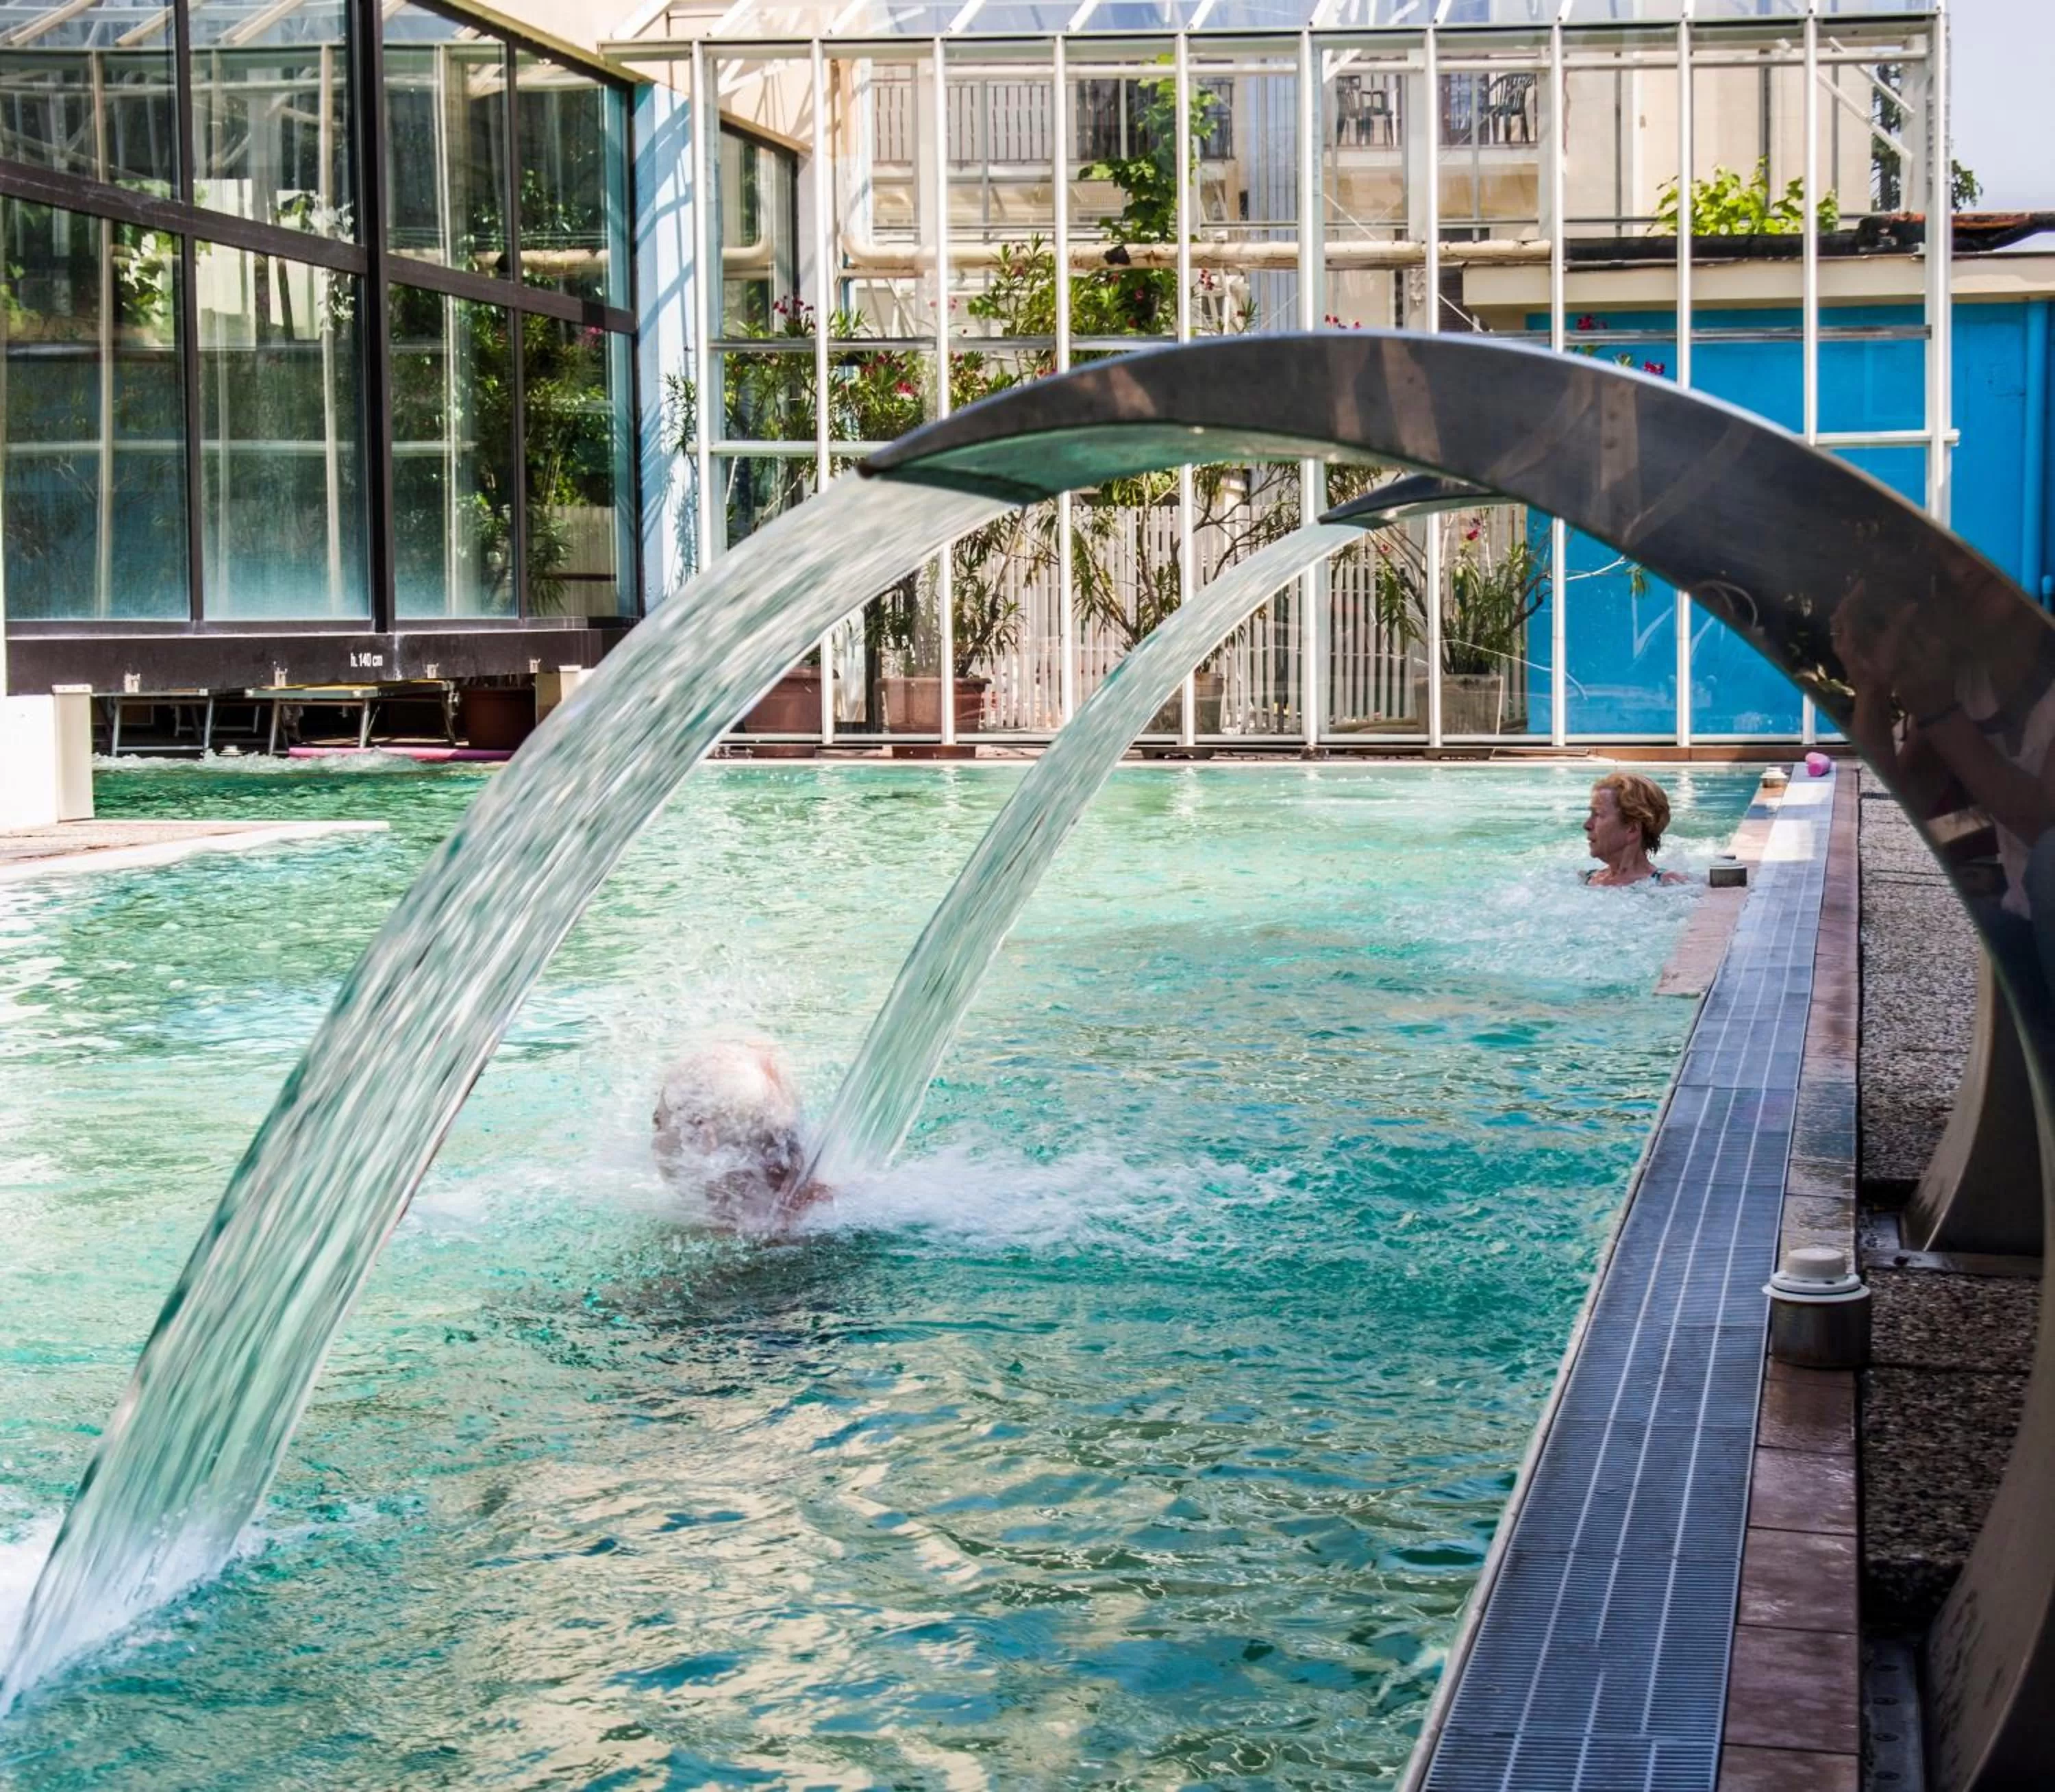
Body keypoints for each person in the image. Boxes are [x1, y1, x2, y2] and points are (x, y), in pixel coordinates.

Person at [653, 1040, 827, 1232]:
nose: (654, 1139)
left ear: (701, 1138)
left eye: (658, 1122)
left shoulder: (693, 1247)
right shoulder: (829, 1211)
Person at [1582, 771, 1687, 887]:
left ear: (1632, 829)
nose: (1587, 825)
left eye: (1598, 814)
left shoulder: (1670, 884)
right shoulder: (1584, 879)